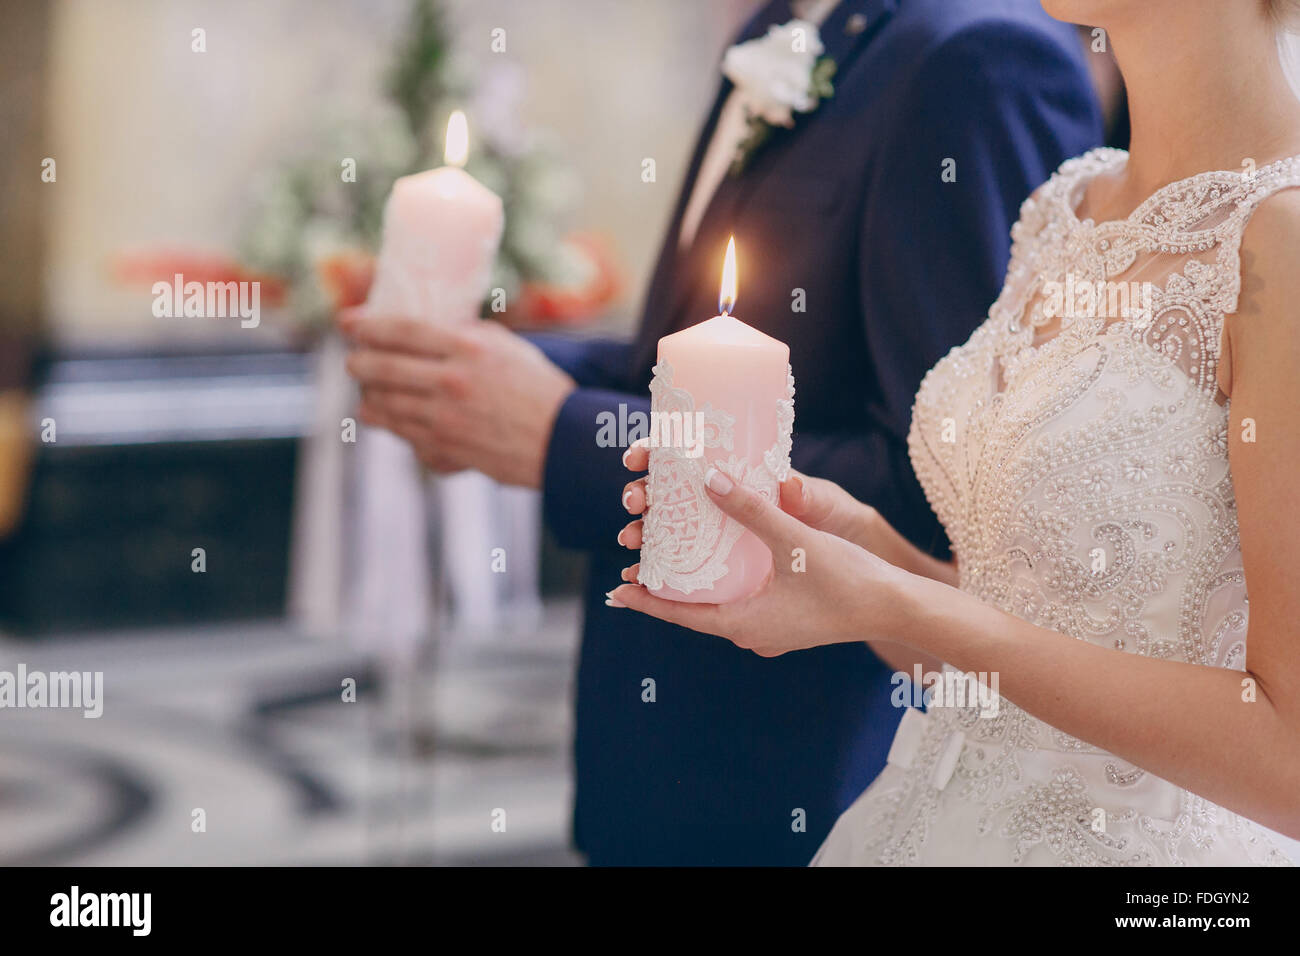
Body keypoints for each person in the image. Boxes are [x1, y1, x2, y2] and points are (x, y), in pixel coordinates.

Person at [341, 0, 1102, 864]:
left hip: (814, 772)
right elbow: (703, 366)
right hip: (659, 745)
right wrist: (490, 376)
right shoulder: (775, 29)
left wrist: (564, 435)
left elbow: (944, 495)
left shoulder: (978, 59)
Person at [611, 0, 1300, 865]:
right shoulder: (1067, 205)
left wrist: (900, 599)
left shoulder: (1283, 241)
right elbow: (1015, 659)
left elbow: (1288, 759)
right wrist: (868, 560)